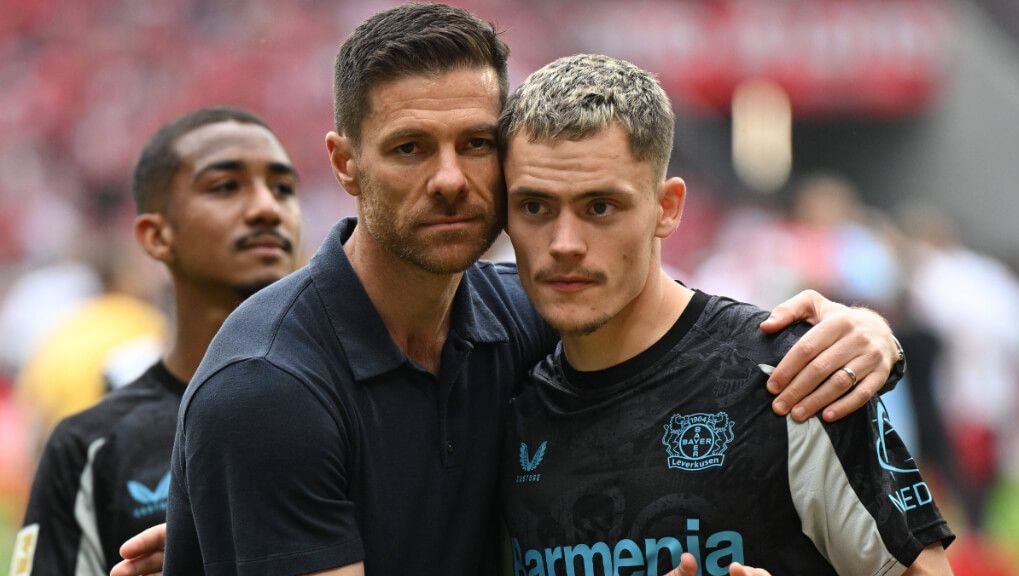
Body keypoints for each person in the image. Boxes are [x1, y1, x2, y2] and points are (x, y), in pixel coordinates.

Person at [120, 5, 905, 575]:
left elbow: (665, 320)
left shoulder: (522, 318)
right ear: (344, 162)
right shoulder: (269, 389)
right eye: (410, 149)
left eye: (475, 144)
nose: (452, 180)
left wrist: (863, 332)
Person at [498, 54, 952, 576]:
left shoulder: (795, 377)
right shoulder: (507, 399)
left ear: (666, 208)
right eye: (535, 207)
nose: (564, 244)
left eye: (600, 207)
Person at [11, 106, 301, 575]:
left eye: (283, 188)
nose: (268, 206)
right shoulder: (88, 446)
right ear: (157, 236)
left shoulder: (358, 402)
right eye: (226, 186)